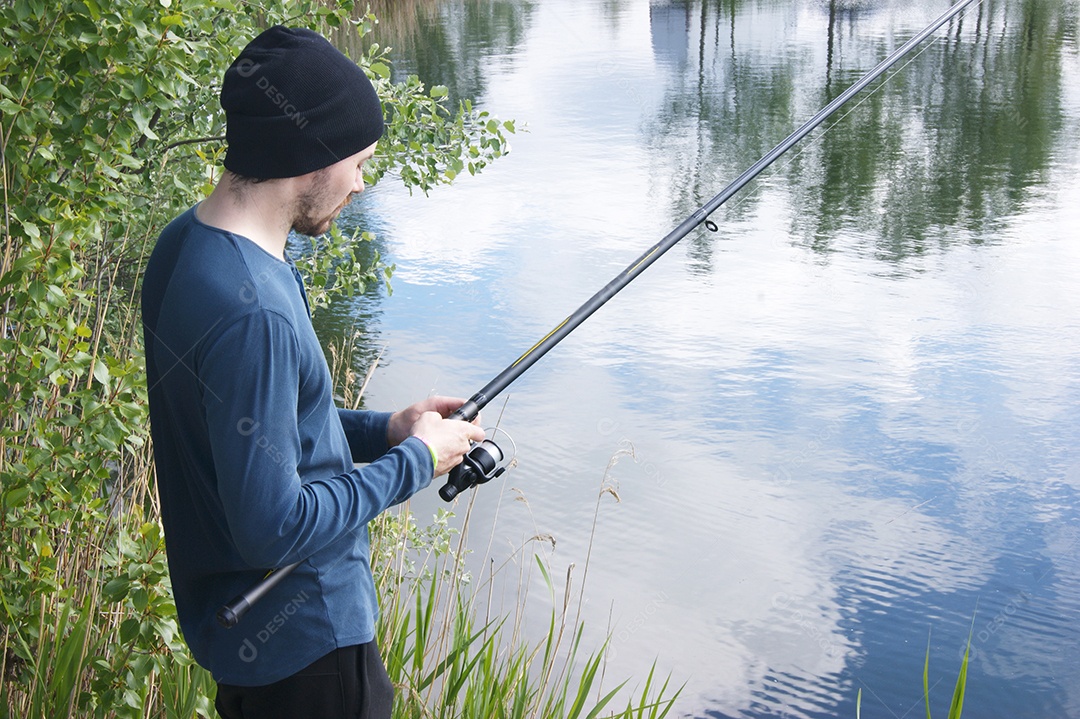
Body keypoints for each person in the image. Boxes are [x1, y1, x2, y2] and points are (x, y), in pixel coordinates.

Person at [140, 25, 485, 719]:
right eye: (357, 161)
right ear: (310, 154)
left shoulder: (183, 247)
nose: (361, 182)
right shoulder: (255, 312)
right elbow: (272, 525)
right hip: (311, 658)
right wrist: (415, 461)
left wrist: (384, 428)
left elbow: (258, 428)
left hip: (250, 648)